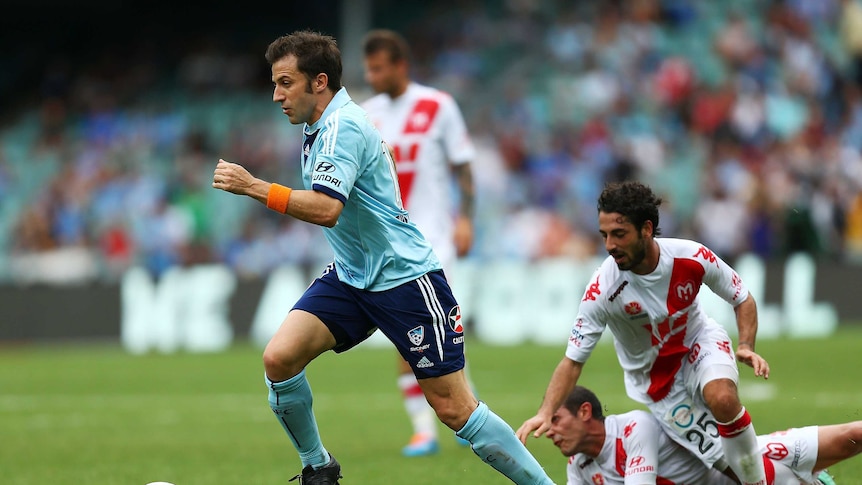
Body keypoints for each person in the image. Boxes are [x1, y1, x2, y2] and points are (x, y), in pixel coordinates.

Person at [212, 30, 555, 485]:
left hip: (404, 278)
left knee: (454, 407)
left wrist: (253, 186)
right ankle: (318, 469)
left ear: (319, 81)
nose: (276, 96)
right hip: (354, 277)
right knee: (279, 358)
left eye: (285, 83)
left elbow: (327, 209)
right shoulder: (321, 123)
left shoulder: (343, 127)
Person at [517, 181, 771, 485]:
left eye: (619, 234)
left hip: (698, 344)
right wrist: (546, 412)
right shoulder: (601, 291)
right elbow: (573, 361)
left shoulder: (691, 257)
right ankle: (796, 472)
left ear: (647, 229)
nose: (609, 245)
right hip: (659, 387)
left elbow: (741, 297)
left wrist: (745, 344)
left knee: (722, 397)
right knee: (729, 466)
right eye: (604, 235)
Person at [360, 28, 478, 457]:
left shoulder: (438, 105)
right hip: (389, 242)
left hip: (436, 239)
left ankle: (452, 421)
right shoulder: (365, 114)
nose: (371, 76)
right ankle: (437, 426)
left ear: (400, 66)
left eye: (378, 69)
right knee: (412, 336)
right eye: (368, 69)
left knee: (440, 333)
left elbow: (463, 166)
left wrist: (465, 218)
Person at [548, 386, 860, 484]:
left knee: (852, 436)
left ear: (585, 412)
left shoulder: (633, 428)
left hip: (750, 463)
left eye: (556, 419)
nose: (550, 431)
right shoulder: (579, 465)